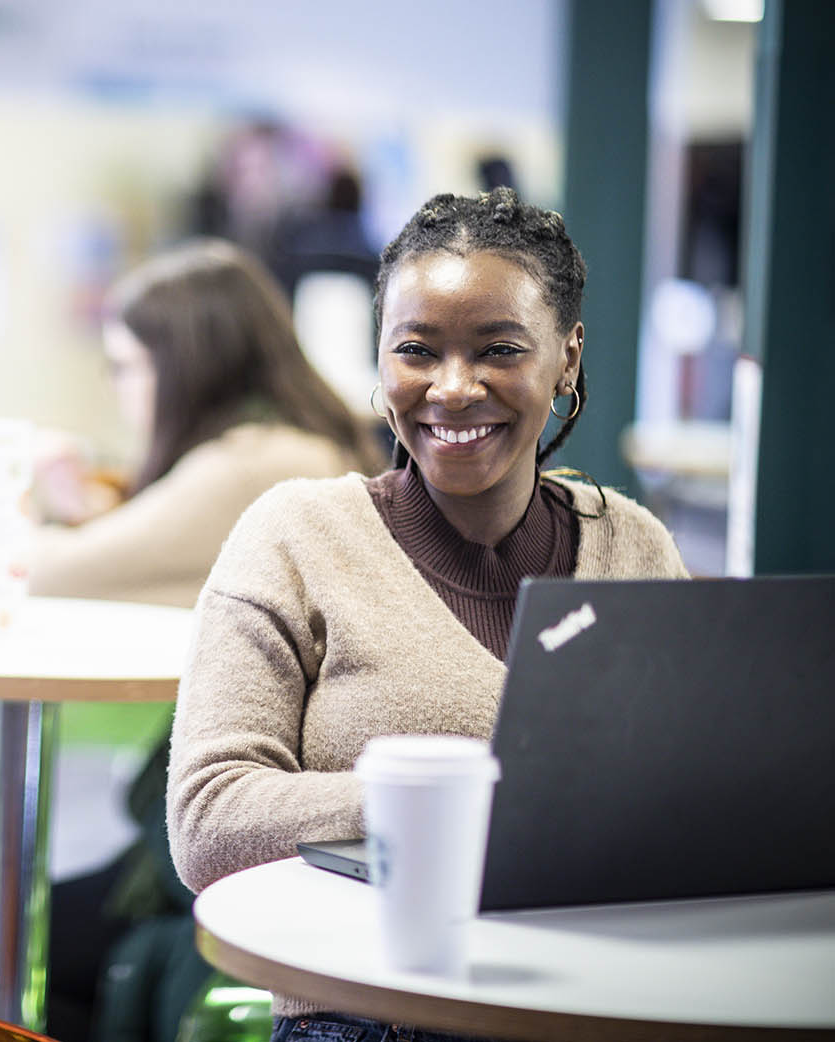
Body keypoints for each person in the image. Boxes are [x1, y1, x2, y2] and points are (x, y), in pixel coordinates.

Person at [166, 188, 689, 1042]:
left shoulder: (633, 550)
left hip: (591, 1003)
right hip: (365, 1016)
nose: (452, 388)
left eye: (499, 349)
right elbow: (208, 822)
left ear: (567, 358)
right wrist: (450, 798)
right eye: (416, 350)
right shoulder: (296, 536)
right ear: (380, 364)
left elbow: (692, 799)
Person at [1, 239, 386, 1042]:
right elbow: (152, 560)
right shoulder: (311, 445)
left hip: (258, 830)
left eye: (126, 367)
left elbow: (48, 571)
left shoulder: (258, 463)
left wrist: (25, 498)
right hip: (297, 821)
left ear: (185, 366)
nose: (121, 392)